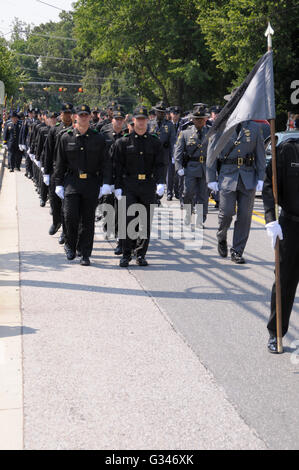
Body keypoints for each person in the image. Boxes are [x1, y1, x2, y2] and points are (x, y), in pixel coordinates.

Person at [207, 98, 266, 263]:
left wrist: (261, 177)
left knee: (245, 216)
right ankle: (221, 236)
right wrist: (211, 178)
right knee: (226, 213)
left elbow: (261, 154)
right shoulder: (221, 126)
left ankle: (237, 251)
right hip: (227, 175)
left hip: (248, 176)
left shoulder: (254, 127)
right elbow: (211, 154)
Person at [54, 105, 109, 266]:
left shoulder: (98, 138)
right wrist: (58, 183)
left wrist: (105, 183)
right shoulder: (66, 137)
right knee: (70, 216)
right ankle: (70, 245)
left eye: (86, 115)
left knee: (88, 220)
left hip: (91, 182)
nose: (83, 117)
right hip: (72, 182)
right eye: (81, 115)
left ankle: (85, 253)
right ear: (75, 117)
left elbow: (105, 163)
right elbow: (59, 163)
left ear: (90, 117)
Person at [112, 106, 165, 267]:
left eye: (144, 119)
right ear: (133, 121)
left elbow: (160, 165)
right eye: (138, 119)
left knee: (145, 220)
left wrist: (161, 182)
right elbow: (116, 166)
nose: (141, 122)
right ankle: (126, 254)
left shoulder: (155, 142)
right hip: (129, 184)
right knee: (128, 219)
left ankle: (140, 254)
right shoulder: (123, 142)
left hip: (148, 184)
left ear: (147, 120)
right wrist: (117, 186)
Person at [262, 137, 299, 353]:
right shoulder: (287, 150)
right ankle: (276, 334)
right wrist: (270, 219)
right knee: (284, 283)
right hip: (291, 226)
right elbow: (269, 185)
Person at [174, 105, 210, 226]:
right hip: (190, 167)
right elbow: (178, 152)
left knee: (203, 196)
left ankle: (200, 220)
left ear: (205, 119)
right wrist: (178, 167)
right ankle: (188, 213)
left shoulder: (210, 133)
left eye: (201, 118)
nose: (199, 121)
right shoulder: (185, 133)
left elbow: (214, 152)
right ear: (193, 120)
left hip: (205, 168)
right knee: (188, 192)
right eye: (197, 119)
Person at [44, 103, 74, 240]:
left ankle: (66, 231)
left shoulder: (76, 129)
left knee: (67, 205)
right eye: (65, 113)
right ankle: (56, 222)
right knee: (55, 201)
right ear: (60, 115)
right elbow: (48, 152)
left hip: (70, 171)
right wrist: (46, 172)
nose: (67, 115)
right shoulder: (54, 130)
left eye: (69, 113)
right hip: (56, 170)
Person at [148, 101, 176, 200]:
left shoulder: (169, 125)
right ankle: (152, 195)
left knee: (163, 176)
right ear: (156, 112)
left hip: (164, 154)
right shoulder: (150, 123)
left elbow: (173, 140)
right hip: (151, 154)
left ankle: (162, 194)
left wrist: (173, 155)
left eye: (163, 112)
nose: (161, 114)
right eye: (159, 112)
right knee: (151, 176)